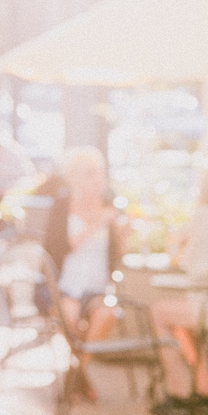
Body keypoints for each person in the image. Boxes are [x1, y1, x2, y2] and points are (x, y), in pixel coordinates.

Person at [151, 162, 208, 404]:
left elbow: (188, 263)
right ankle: (204, 385)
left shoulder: (204, 215)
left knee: (159, 312)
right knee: (183, 322)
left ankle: (179, 387)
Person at [55, 148, 127, 346]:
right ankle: (80, 371)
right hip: (66, 285)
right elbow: (61, 246)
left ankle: (83, 368)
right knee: (69, 317)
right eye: (90, 174)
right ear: (74, 178)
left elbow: (118, 253)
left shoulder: (110, 204)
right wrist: (97, 222)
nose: (98, 178)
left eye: (100, 172)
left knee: (107, 313)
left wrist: (124, 234)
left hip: (99, 287)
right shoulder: (63, 205)